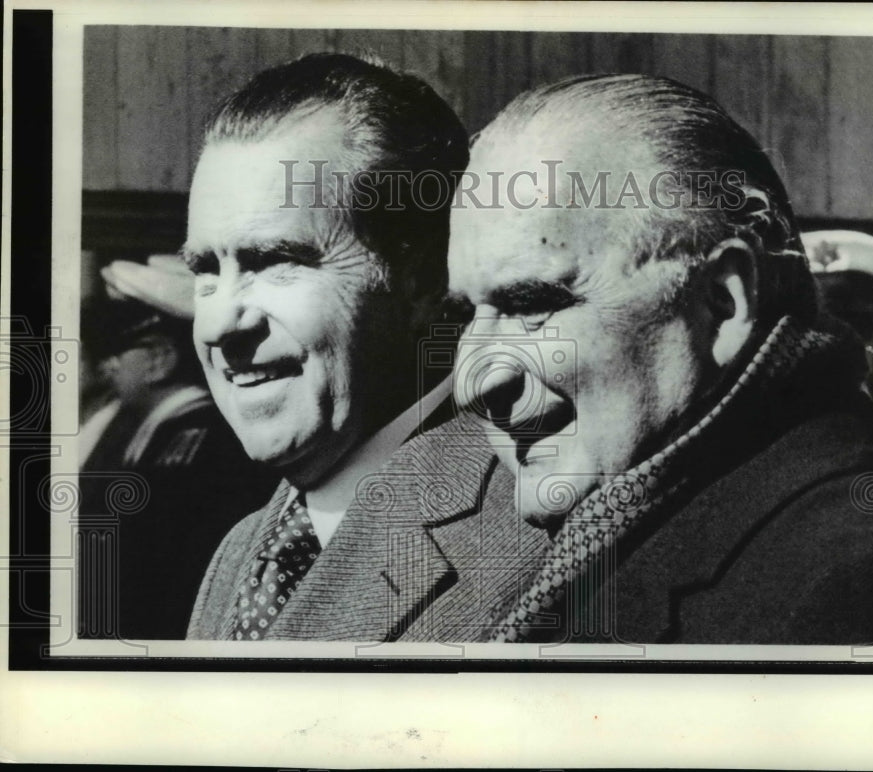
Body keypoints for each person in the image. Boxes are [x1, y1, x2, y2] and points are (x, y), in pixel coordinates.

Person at [447, 74, 873, 644]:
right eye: (463, 315)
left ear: (722, 304)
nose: (472, 383)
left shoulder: (849, 584)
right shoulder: (586, 522)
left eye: (532, 305)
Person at [186, 53, 548, 641]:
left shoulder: (529, 541)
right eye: (205, 269)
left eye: (275, 261)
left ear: (425, 283)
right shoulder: (240, 553)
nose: (219, 325)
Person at [78, 256, 275, 639]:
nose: (107, 367)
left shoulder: (201, 444)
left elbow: (173, 580)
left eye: (116, 350)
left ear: (159, 359)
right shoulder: (163, 433)